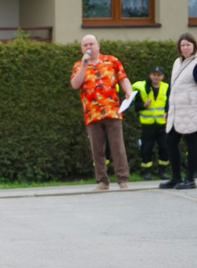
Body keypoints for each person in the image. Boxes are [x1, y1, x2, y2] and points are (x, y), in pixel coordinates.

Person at [71, 34, 134, 191]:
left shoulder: (112, 61)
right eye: (85, 45)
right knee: (97, 148)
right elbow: (75, 84)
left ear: (98, 46)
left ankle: (122, 179)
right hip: (92, 113)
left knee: (117, 146)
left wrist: (129, 90)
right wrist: (84, 66)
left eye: (91, 44)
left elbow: (123, 77)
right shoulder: (79, 65)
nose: (88, 47)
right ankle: (102, 181)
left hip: (112, 110)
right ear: (81, 48)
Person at [163, 32, 197, 190]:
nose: (185, 48)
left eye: (188, 45)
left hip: (192, 111)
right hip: (176, 111)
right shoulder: (177, 62)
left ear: (194, 46)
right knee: (170, 141)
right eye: (182, 45)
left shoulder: (196, 63)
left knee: (193, 146)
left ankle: (190, 178)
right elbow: (172, 87)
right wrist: (166, 109)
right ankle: (176, 177)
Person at [132, 66, 170, 182]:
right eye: (154, 74)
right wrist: (143, 105)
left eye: (158, 75)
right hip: (147, 125)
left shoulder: (167, 88)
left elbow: (171, 104)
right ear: (150, 75)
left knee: (164, 147)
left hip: (163, 124)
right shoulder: (142, 88)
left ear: (162, 76)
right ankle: (147, 172)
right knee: (146, 149)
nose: (156, 77)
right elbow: (135, 107)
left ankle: (162, 170)